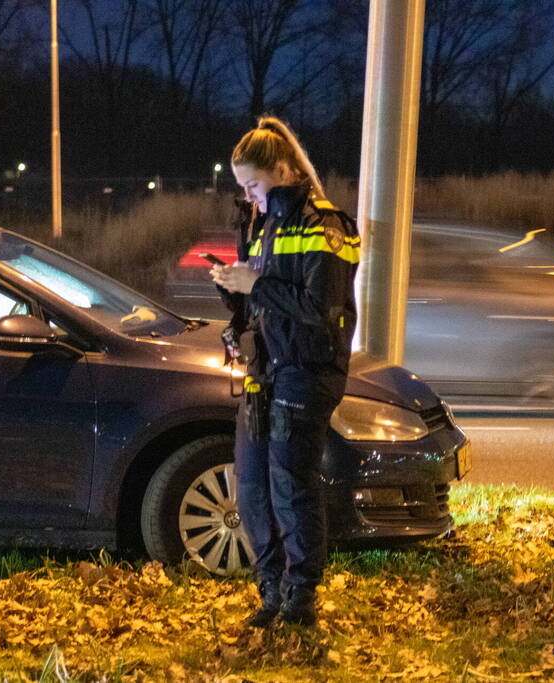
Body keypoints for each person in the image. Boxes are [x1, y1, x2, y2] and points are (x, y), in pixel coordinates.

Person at [211, 116, 360, 627]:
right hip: (266, 365)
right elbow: (263, 297)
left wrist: (254, 285)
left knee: (290, 483)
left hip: (308, 368)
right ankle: (270, 594)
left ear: (281, 169)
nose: (249, 196)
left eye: (253, 184)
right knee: (251, 484)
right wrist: (235, 297)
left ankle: (301, 600)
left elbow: (321, 307)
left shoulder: (328, 225)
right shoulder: (263, 224)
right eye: (243, 188)